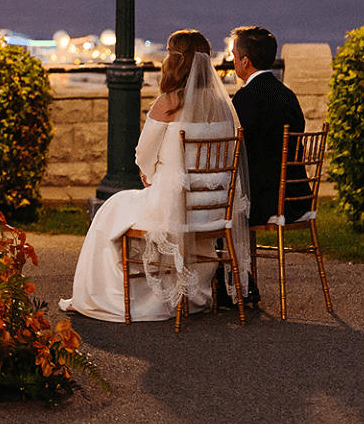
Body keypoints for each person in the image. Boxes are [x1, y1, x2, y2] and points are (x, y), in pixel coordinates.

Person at [59, 31, 251, 322]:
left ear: (174, 61)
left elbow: (143, 156)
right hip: (213, 212)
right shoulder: (224, 108)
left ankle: (108, 297)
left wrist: (150, 175)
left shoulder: (168, 103)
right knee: (118, 210)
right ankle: (191, 296)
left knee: (108, 213)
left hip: (171, 206)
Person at [230, 25, 310, 228]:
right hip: (297, 198)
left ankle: (224, 258)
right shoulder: (287, 94)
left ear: (245, 61)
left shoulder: (245, 98)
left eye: (234, 56)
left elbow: (234, 148)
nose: (233, 62)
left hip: (265, 202)